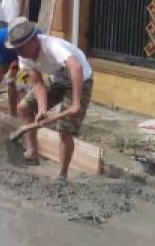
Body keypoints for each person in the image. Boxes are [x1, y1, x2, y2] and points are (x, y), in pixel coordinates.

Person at [7, 17, 93, 181]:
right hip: (57, 79)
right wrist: (42, 110)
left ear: (33, 40)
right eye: (16, 49)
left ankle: (62, 174)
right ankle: (32, 152)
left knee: (64, 130)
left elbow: (76, 67)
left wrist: (75, 103)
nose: (19, 52)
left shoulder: (52, 46)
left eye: (21, 48)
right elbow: (38, 83)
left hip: (80, 78)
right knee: (23, 107)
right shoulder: (23, 56)